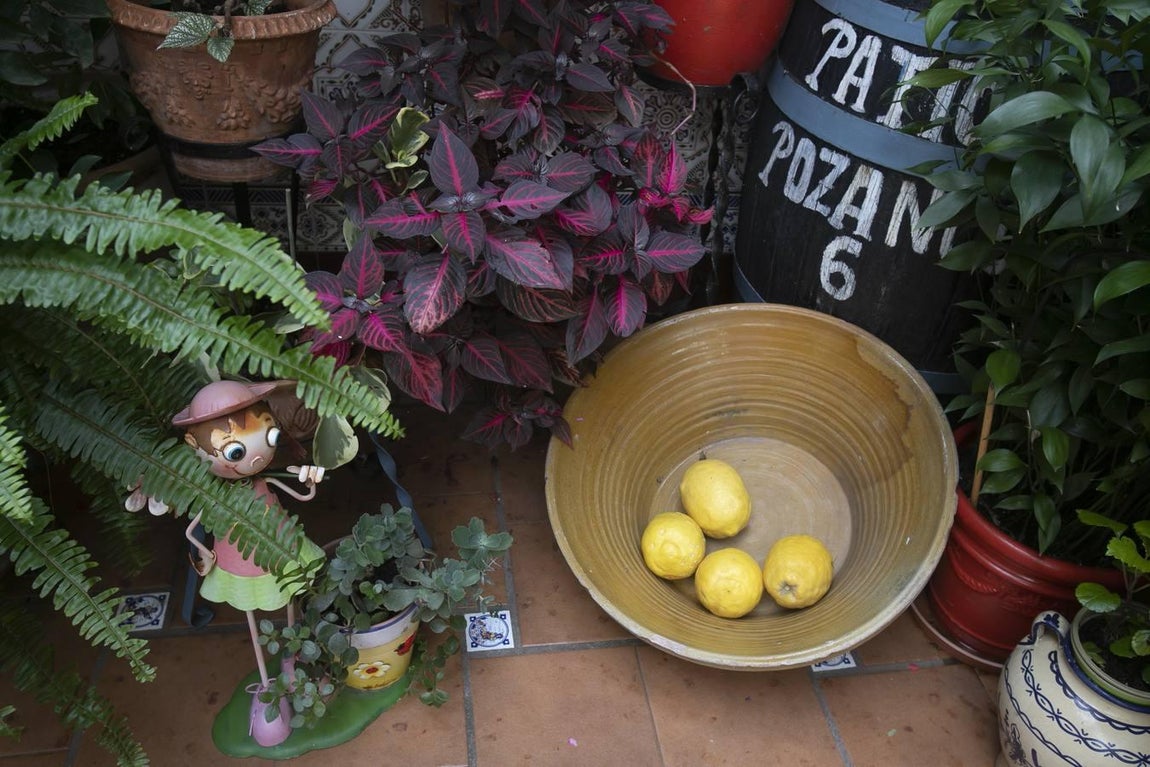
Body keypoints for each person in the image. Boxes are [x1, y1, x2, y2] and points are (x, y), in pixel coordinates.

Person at [172, 379, 326, 747]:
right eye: (237, 452)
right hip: (239, 561)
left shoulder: (267, 480)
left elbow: (301, 492)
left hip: (283, 548)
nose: (258, 456)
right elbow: (194, 529)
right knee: (254, 625)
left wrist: (310, 478)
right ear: (195, 447)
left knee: (290, 601)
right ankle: (267, 689)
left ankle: (293, 662)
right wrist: (202, 553)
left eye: (269, 437)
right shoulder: (219, 497)